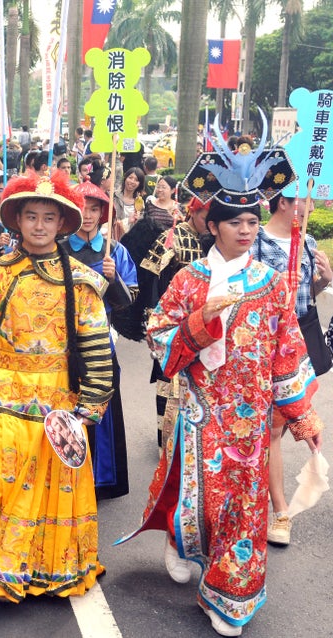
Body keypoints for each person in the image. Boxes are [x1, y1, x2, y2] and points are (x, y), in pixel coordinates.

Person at [119, 195, 322, 636]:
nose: (247, 230)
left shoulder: (271, 283)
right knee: (200, 499)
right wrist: (200, 320)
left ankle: (228, 596)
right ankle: (179, 539)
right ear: (213, 227)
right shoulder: (189, 281)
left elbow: (287, 352)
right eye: (236, 223)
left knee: (244, 509)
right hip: (199, 411)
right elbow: (157, 338)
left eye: (252, 221)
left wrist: (301, 416)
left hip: (251, 419)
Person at [0, 171, 113, 603]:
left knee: (54, 489)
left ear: (63, 222)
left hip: (58, 403)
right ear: (17, 220)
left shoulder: (81, 281)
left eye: (49, 217)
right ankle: (7, 559)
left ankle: (43, 565)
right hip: (4, 396)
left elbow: (97, 346)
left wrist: (93, 400)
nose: (40, 225)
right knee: (3, 484)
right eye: (31, 216)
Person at [253, 192, 332, 546]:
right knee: (266, 430)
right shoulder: (253, 241)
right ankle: (277, 508)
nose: (312, 205)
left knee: (273, 430)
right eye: (305, 198)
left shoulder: (309, 242)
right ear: (283, 202)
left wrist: (323, 280)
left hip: (298, 345)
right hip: (262, 344)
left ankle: (276, 509)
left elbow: (308, 297)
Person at [63, 181, 138, 499]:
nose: (88, 214)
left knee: (101, 404)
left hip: (100, 342)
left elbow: (128, 300)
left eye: (94, 208)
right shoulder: (58, 248)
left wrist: (114, 278)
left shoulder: (116, 252)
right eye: (82, 207)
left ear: (103, 213)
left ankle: (101, 476)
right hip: (62, 343)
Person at [130, 197, 211, 452]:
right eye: (204, 217)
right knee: (167, 379)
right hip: (171, 319)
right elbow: (150, 279)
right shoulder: (171, 238)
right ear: (192, 212)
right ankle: (165, 440)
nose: (208, 224)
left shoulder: (213, 242)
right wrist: (153, 318)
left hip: (203, 323)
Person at [113, 167, 146, 238]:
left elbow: (142, 226)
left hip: (131, 239)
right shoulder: (114, 197)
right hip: (114, 238)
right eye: (130, 177)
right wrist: (127, 221)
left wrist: (138, 220)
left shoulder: (139, 202)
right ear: (125, 178)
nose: (132, 181)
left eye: (136, 180)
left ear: (140, 184)